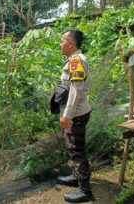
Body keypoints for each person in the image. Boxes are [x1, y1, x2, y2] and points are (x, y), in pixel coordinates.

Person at [56, 29, 93, 203]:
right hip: (75, 112)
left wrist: (67, 115)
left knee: (77, 150)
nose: (60, 44)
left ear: (71, 44)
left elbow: (76, 91)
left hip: (75, 114)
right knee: (73, 147)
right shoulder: (74, 60)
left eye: (63, 41)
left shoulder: (76, 61)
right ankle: (77, 177)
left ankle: (85, 190)